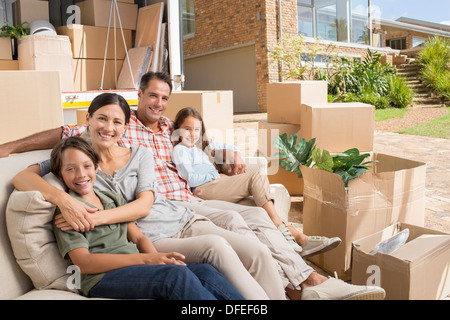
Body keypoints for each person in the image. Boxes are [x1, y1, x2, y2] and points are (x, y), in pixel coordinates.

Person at [5, 72, 386, 300]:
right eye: (151, 96)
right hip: (166, 216)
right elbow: (35, 168)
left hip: (179, 205)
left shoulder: (152, 137)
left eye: (164, 98)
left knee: (248, 225)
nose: (109, 127)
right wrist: (19, 159)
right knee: (221, 242)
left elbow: (196, 142)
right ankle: (305, 283)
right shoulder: (82, 154)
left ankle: (305, 284)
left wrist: (223, 151)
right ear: (90, 120)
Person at [13, 93, 285, 300]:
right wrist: (65, 201)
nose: (108, 127)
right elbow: (22, 177)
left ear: (125, 127)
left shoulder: (137, 154)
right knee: (213, 251)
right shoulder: (77, 158)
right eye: (101, 119)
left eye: (117, 121)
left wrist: (93, 219)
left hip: (179, 218)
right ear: (88, 119)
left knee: (253, 250)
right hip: (148, 239)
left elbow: (144, 204)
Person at [49, 136, 244, 300]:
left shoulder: (111, 199)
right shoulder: (68, 213)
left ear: (96, 168)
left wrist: (158, 259)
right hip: (101, 278)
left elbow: (138, 238)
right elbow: (84, 263)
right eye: (70, 169)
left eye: (86, 166)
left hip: (136, 266)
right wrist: (146, 260)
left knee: (205, 271)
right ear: (59, 175)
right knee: (176, 275)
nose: (81, 174)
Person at [171, 107, 341, 257]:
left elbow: (232, 150)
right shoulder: (180, 150)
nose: (192, 134)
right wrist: (217, 176)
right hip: (203, 191)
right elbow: (190, 178)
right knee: (256, 177)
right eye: (187, 129)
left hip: (215, 188)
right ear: (178, 129)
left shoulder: (201, 149)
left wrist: (229, 154)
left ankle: (300, 239)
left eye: (197, 129)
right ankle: (280, 226)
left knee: (260, 207)